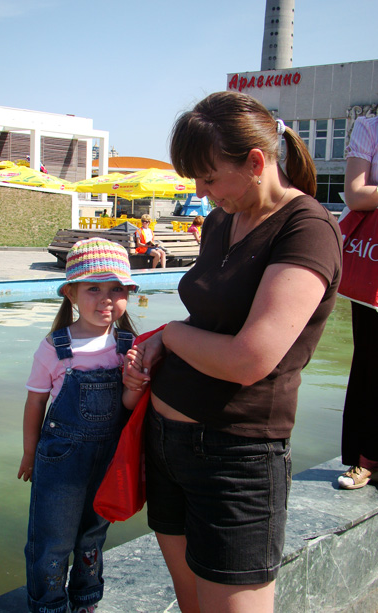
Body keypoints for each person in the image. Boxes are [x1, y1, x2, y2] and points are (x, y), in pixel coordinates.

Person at [123, 91, 342, 613]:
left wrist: (170, 335)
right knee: (191, 602)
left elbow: (251, 358)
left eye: (209, 177)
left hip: (236, 453)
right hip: (167, 438)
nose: (200, 192)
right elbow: (211, 318)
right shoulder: (224, 218)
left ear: (257, 162)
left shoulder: (307, 229)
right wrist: (155, 348)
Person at [18, 237, 144, 613]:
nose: (106, 298)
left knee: (91, 537)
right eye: (93, 288)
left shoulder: (128, 344)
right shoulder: (55, 346)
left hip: (108, 459)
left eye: (116, 289)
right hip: (60, 460)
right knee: (51, 539)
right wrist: (29, 452)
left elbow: (127, 407)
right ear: (71, 293)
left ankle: (86, 600)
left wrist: (135, 385)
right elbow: (36, 400)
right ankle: (49, 604)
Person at [337, 115, 378, 490]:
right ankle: (366, 457)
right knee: (371, 359)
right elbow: (355, 193)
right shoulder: (370, 127)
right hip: (375, 262)